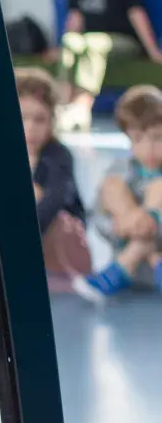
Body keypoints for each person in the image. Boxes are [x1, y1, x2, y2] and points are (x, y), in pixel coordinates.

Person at [0, 68, 91, 312]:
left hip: (62, 240)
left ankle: (6, 279)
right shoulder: (3, 155)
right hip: (21, 243)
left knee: (31, 194)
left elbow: (56, 200)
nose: (30, 128)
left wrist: (19, 239)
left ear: (53, 121)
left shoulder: (58, 155)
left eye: (39, 119)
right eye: (22, 118)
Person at [56, 0, 162, 131]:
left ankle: (82, 105)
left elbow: (136, 14)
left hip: (123, 41)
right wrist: (63, 43)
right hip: (89, 39)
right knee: (71, 40)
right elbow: (75, 17)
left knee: (94, 44)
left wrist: (153, 51)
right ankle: (63, 102)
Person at [74, 85, 162, 301]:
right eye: (138, 139)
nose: (148, 148)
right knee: (111, 186)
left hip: (148, 264)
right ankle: (137, 255)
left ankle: (118, 271)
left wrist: (151, 224)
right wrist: (118, 225)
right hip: (137, 264)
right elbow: (99, 218)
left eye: (158, 138)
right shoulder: (120, 170)